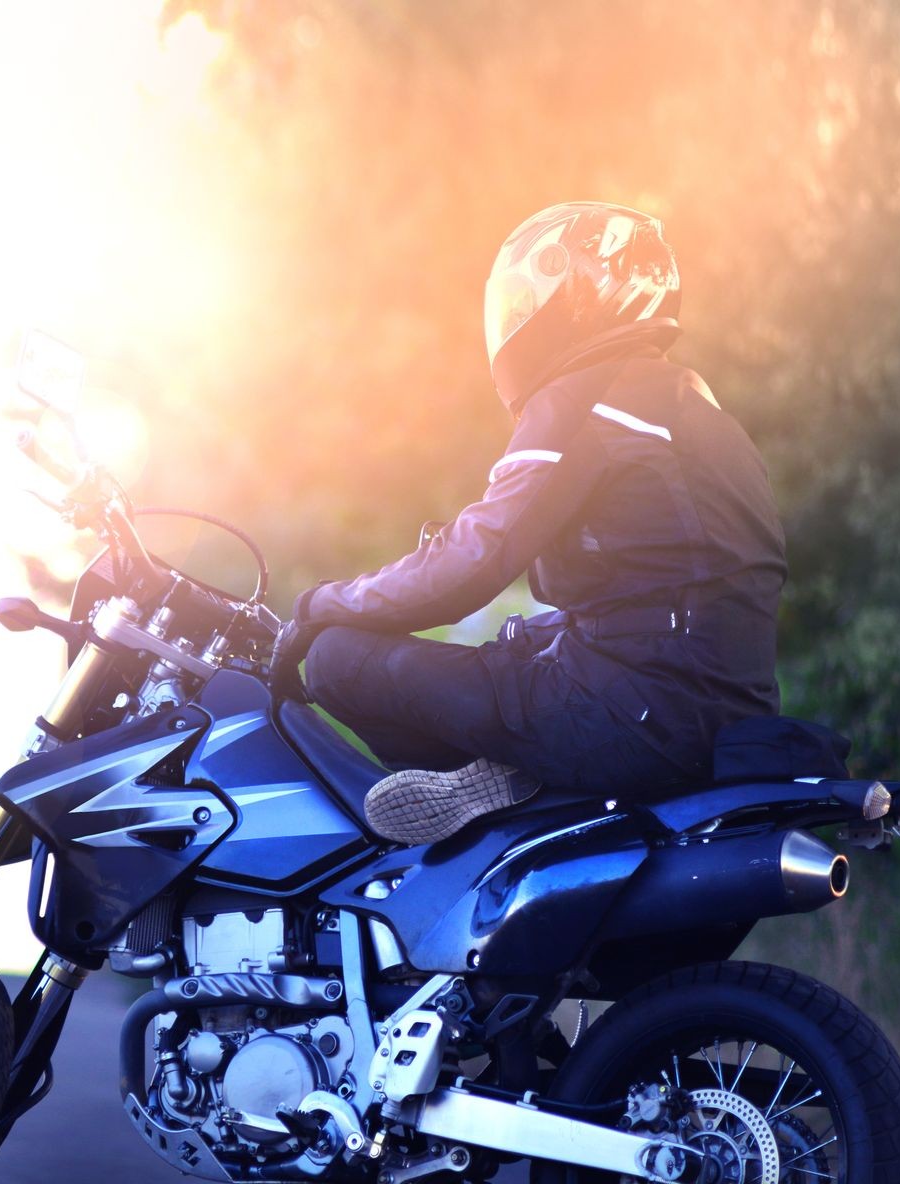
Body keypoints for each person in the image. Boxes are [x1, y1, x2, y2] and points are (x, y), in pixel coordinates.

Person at [269, 201, 787, 846]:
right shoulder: (694, 404)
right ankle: (506, 784)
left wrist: (320, 604)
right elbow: (653, 600)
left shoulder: (585, 398)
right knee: (514, 645)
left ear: (574, 299)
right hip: (717, 710)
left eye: (524, 302)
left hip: (630, 715)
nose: (514, 322)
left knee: (337, 661)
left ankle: (485, 833)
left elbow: (469, 564)